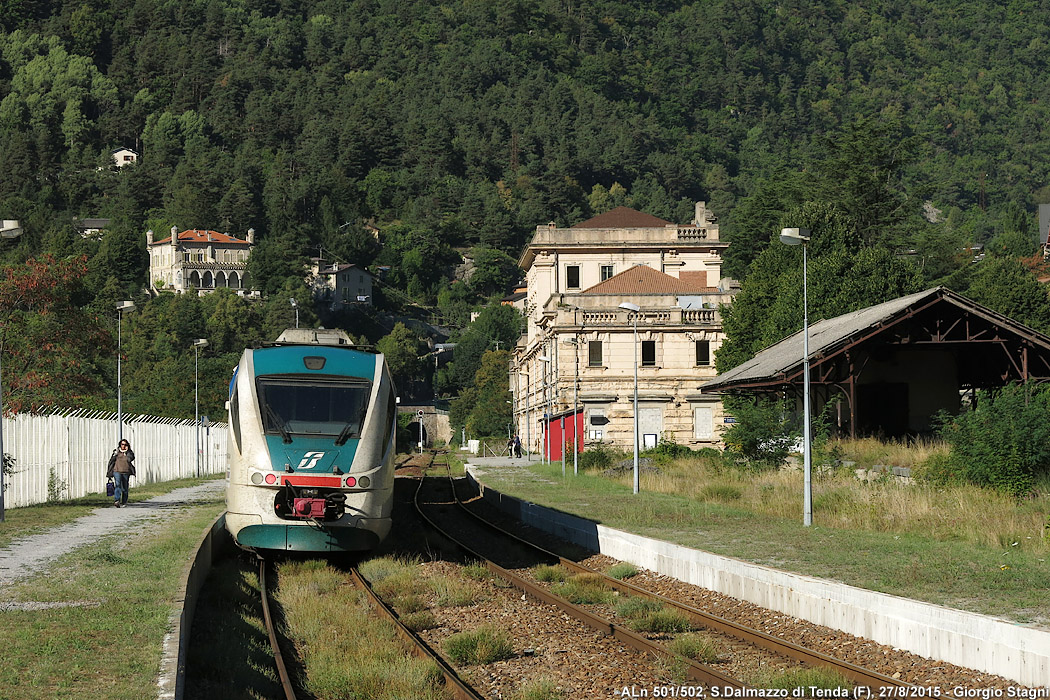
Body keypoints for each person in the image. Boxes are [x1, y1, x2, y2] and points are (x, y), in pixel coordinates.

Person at [106, 439, 136, 507]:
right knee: (118, 485)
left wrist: (126, 452)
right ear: (120, 445)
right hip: (117, 471)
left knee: (125, 488)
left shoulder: (129, 453)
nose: (123, 446)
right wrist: (109, 472)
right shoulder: (116, 452)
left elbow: (130, 459)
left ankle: (124, 501)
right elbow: (111, 461)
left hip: (126, 472)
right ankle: (117, 500)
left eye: (125, 445)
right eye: (122, 444)